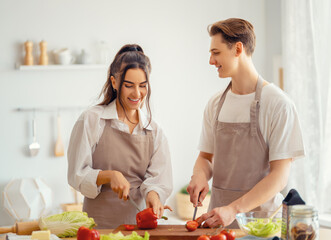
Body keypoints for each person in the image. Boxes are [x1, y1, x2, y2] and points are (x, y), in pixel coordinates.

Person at [187, 18, 305, 228]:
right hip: (217, 223)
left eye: (216, 52)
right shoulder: (215, 104)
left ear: (238, 49)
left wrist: (234, 209)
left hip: (260, 226)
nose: (211, 61)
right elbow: (206, 157)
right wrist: (199, 175)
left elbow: (279, 177)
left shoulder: (278, 104)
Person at [67, 44, 173, 228]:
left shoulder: (155, 131)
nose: (137, 93)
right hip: (97, 228)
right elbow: (76, 175)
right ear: (115, 83)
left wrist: (154, 196)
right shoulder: (92, 120)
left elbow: (158, 180)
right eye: (129, 85)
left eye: (143, 85)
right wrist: (109, 176)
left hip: (139, 227)